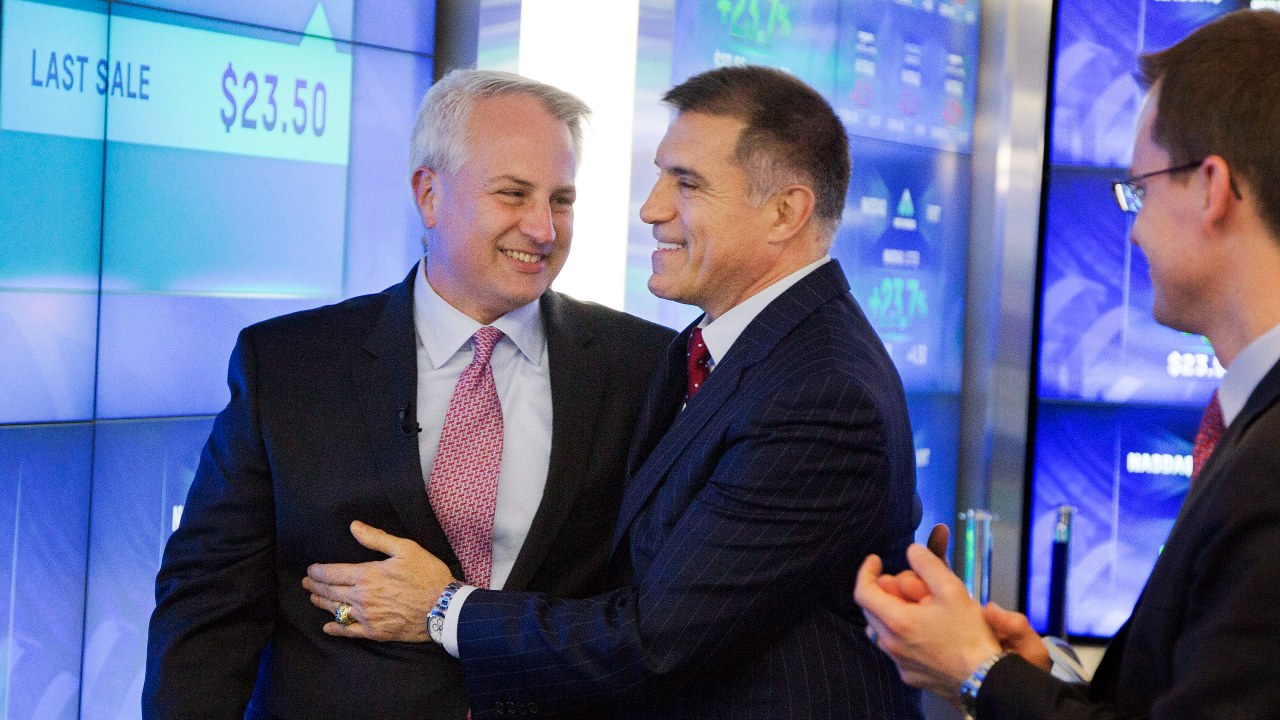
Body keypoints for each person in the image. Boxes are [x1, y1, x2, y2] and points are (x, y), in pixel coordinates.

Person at [304, 65, 923, 719]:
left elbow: (656, 643)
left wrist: (441, 607)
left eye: (686, 183)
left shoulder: (818, 393)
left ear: (784, 212)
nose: (652, 209)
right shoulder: (711, 350)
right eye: (659, 177)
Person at [142, 69, 675, 720]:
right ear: (429, 194)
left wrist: (450, 611)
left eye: (561, 200)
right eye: (513, 194)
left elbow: (651, 610)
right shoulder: (289, 365)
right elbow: (209, 606)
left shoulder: (642, 367)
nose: (543, 228)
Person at [855, 9, 1280, 719]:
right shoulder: (1253, 426)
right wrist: (1032, 678)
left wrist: (979, 674)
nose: (1134, 229)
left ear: (1211, 189)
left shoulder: (1269, 465)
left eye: (1141, 190)